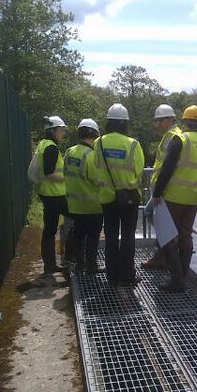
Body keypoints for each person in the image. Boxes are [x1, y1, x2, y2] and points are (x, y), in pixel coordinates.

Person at [152, 105, 197, 292]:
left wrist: (157, 193)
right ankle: (183, 277)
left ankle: (177, 280)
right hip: (195, 198)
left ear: (184, 120)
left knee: (166, 237)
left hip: (174, 196)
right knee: (185, 234)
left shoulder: (179, 139)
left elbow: (167, 169)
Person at [94, 104, 145, 286]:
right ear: (125, 123)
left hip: (107, 198)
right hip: (129, 199)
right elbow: (139, 173)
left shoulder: (98, 142)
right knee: (128, 235)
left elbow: (97, 165)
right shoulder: (133, 144)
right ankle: (127, 274)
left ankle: (112, 274)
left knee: (111, 235)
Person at [141, 104, 183, 270]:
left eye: (160, 120)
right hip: (162, 188)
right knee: (152, 214)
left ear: (170, 120)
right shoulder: (169, 136)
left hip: (166, 189)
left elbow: (169, 166)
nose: (156, 124)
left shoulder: (174, 137)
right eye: (156, 121)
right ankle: (167, 248)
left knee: (151, 214)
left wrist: (158, 191)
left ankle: (166, 251)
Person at [63, 119, 103, 273]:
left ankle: (79, 263)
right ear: (95, 134)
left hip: (74, 204)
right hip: (92, 206)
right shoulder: (91, 155)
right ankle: (91, 265)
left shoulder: (69, 151)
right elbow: (97, 180)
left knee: (78, 234)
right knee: (93, 236)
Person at [34, 115, 71, 274]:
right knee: (78, 217)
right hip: (55, 194)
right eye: (62, 130)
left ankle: (49, 265)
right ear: (53, 131)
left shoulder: (43, 144)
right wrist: (67, 179)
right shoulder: (51, 148)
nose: (63, 133)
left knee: (50, 228)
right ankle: (70, 258)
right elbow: (49, 173)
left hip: (47, 193)